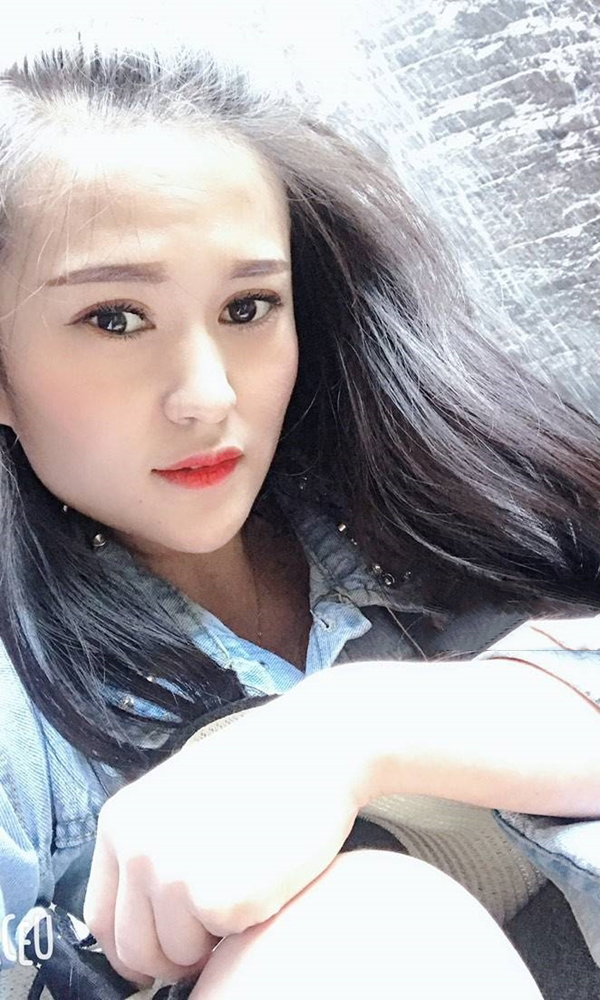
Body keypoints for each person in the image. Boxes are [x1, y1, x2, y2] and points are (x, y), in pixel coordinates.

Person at [0, 30, 598, 1000]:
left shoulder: (439, 496)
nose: (206, 396)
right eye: (114, 318)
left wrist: (348, 729)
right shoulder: (23, 732)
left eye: (247, 308)